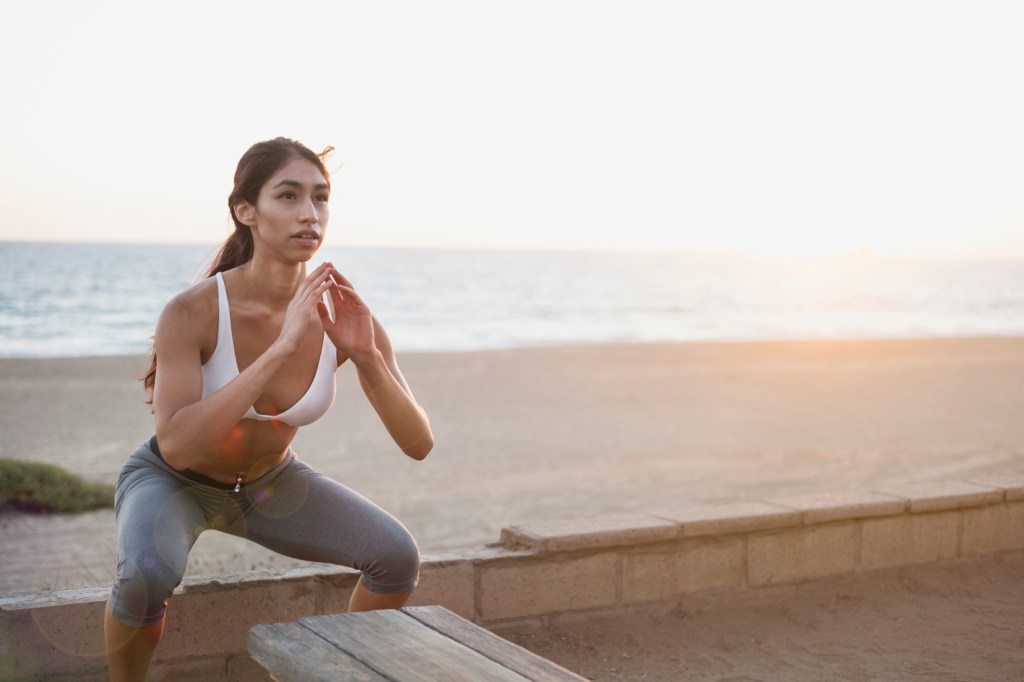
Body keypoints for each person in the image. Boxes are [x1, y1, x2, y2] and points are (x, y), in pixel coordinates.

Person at [104, 137, 433, 681]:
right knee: (146, 576)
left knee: (396, 557)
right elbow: (178, 446)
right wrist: (282, 346)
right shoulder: (191, 311)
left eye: (320, 198)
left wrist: (367, 354)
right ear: (245, 211)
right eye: (288, 196)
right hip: (173, 482)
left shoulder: (343, 314)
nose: (309, 214)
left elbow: (418, 444)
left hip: (269, 487)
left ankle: (338, 672)